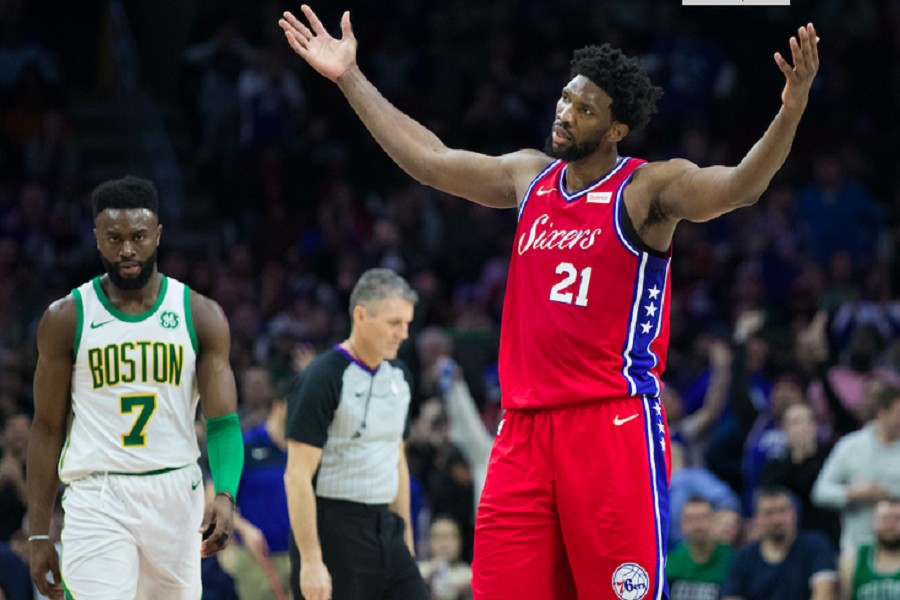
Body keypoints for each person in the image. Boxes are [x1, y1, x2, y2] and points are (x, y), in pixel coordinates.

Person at [279, 7, 820, 598]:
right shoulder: (529, 176)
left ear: (615, 129)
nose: (565, 113)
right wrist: (350, 77)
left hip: (609, 423)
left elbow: (740, 187)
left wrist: (790, 111)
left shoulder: (646, 190)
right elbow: (430, 161)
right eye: (566, 98)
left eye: (585, 109)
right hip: (523, 429)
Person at [26, 176, 244, 599]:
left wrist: (225, 493)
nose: (127, 249)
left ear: (157, 235)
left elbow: (221, 422)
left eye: (138, 236)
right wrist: (38, 534)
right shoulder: (66, 317)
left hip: (175, 492)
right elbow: (47, 427)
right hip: (98, 494)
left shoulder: (200, 315)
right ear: (97, 238)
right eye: (114, 238)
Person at [284, 268, 428, 600]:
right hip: (334, 529)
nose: (403, 333)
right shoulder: (322, 377)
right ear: (361, 316)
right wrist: (311, 561)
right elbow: (296, 476)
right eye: (394, 323)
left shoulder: (400, 376)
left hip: (387, 528)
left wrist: (405, 542)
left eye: (407, 323)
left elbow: (398, 460)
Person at [812, 386, 900, 552]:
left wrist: (890, 495)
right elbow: (820, 492)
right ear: (881, 413)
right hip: (858, 545)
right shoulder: (849, 446)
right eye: (898, 413)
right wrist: (853, 493)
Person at [722, 485, 837, 600]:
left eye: (782, 511)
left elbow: (824, 594)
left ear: (794, 513)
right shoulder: (743, 557)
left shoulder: (815, 545)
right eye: (769, 513)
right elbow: (731, 596)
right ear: (756, 519)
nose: (777, 520)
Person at [666, 496, 734, 600]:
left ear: (714, 521)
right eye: (690, 520)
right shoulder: (671, 561)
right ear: (682, 524)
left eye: (703, 518)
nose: (697, 525)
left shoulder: (731, 560)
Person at [839, 498, 900, 600]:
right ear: (873, 522)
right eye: (884, 519)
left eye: (897, 518)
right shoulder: (853, 560)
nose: (890, 525)